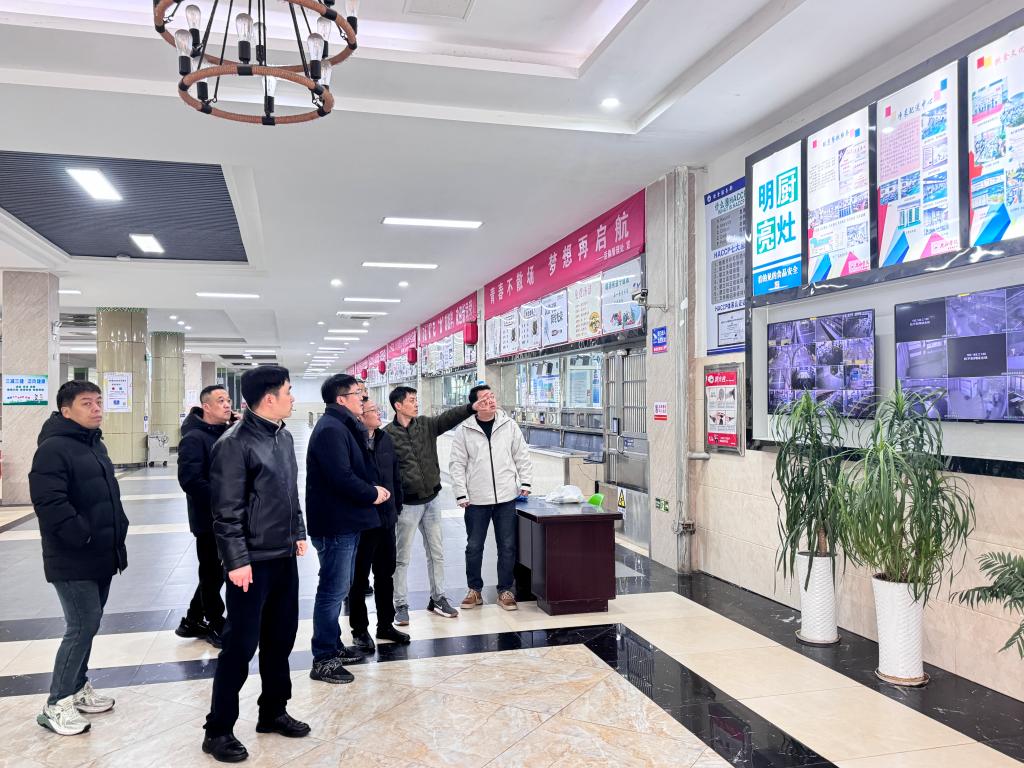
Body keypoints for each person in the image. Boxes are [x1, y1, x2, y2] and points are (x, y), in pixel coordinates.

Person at [203, 366, 310, 763]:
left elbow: (290, 492)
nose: (292, 397)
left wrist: (298, 531)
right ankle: (218, 730)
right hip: (250, 563)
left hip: (283, 555)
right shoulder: (234, 444)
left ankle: (273, 711)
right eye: (288, 391)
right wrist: (236, 560)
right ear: (269, 398)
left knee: (281, 638)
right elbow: (226, 510)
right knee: (240, 646)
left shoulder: (282, 435)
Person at [29, 380, 129, 736]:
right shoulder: (53, 449)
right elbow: (49, 503)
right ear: (66, 410)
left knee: (91, 623)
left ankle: (76, 686)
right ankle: (56, 704)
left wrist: (117, 530)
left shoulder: (93, 443)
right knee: (81, 625)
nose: (97, 408)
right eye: (87, 403)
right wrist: (82, 534)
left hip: (101, 552)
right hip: (73, 556)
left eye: (99, 401)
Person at [306, 374, 392, 684]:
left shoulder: (342, 426)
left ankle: (333, 646)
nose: (364, 399)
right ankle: (323, 658)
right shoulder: (331, 429)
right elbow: (340, 477)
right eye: (358, 394)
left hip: (346, 520)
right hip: (335, 523)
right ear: (341, 399)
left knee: (339, 587)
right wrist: (372, 493)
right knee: (332, 592)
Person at [385, 386, 485, 625]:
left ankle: (438, 598)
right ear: (398, 405)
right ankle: (400, 604)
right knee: (402, 557)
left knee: (436, 553)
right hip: (407, 505)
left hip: (431, 500)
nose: (416, 404)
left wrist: (471, 408)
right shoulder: (387, 435)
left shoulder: (425, 425)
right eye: (411, 400)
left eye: (416, 399)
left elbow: (448, 418)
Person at [449, 384, 533, 612]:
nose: (490, 401)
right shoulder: (464, 429)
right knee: (474, 546)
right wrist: (461, 493)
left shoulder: (509, 425)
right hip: (476, 500)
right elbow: (457, 464)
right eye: (484, 399)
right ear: (475, 404)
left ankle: (505, 591)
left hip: (506, 497)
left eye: (492, 396)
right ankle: (474, 590)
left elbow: (521, 455)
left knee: (507, 546)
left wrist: (525, 482)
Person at [175, 385, 234, 648]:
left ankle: (192, 619)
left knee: (218, 570)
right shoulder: (194, 438)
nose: (227, 404)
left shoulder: (226, 432)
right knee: (212, 571)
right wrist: (225, 499)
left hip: (229, 516)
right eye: (220, 401)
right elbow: (190, 480)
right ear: (206, 407)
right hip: (209, 518)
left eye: (228, 400)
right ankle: (215, 621)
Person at [349, 400, 410, 653]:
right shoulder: (351, 441)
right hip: (363, 522)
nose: (378, 414)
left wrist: (397, 506)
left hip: (386, 520)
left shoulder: (385, 439)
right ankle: (359, 630)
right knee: (359, 579)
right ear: (361, 417)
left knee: (385, 575)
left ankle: (385, 624)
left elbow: (395, 475)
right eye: (373, 411)